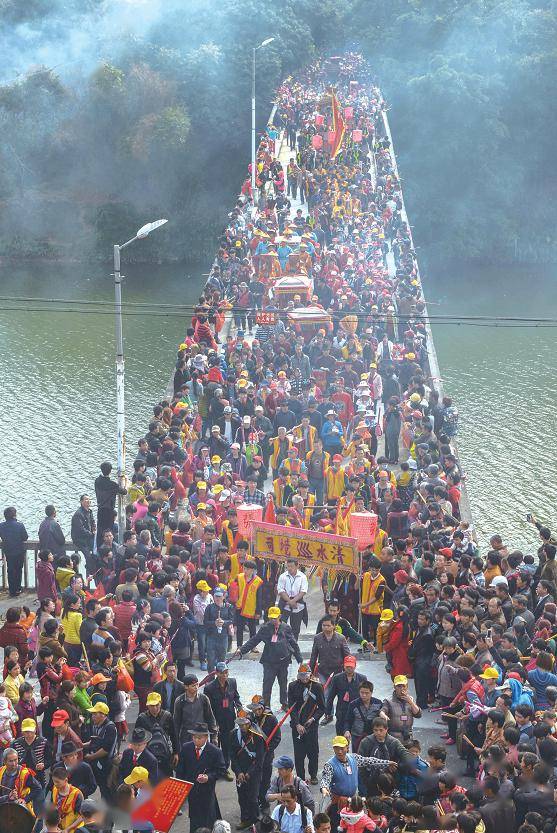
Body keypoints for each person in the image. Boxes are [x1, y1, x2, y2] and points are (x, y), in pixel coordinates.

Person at [234, 607, 303, 709]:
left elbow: (293, 643)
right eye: (271, 618)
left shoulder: (286, 628)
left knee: (283, 684)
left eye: (275, 618)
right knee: (267, 685)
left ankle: (284, 703)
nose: (273, 620)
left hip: (283, 661)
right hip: (269, 662)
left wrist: (299, 658)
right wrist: (242, 650)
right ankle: (266, 706)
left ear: (279, 617)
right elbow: (254, 640)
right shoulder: (265, 628)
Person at [319, 736, 392, 830]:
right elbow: (325, 778)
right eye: (336, 748)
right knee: (338, 826)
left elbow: (369, 761)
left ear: (347, 747)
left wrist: (387, 762)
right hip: (338, 804)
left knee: (355, 826)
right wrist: (324, 787)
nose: (339, 751)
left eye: (342, 748)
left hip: (353, 802)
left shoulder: (353, 758)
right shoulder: (330, 765)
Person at [176, 722, 226, 833]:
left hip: (207, 792)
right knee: (194, 821)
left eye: (199, 738)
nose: (196, 740)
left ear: (206, 737)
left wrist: (208, 777)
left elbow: (221, 770)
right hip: (192, 792)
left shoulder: (215, 751)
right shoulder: (186, 748)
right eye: (194, 737)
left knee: (207, 821)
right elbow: (180, 769)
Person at [288, 664, 325, 785]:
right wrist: (297, 724)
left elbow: (322, 708)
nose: (304, 677)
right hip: (297, 726)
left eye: (306, 675)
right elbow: (291, 708)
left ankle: (313, 775)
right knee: (299, 755)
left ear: (310, 674)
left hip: (311, 726)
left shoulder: (317, 687)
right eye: (301, 675)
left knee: (313, 752)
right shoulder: (292, 686)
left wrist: (313, 719)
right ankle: (300, 778)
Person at [230, 710, 266, 830]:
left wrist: (249, 773)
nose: (243, 727)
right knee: (242, 797)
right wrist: (238, 772)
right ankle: (245, 820)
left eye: (245, 723)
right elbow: (233, 756)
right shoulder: (233, 734)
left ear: (250, 722)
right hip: (240, 771)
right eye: (240, 724)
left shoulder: (257, 736)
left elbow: (260, 759)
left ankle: (255, 822)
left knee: (252, 798)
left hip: (254, 771)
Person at [204, 663, 241, 779]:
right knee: (214, 746)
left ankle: (225, 769)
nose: (225, 675)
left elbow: (236, 697)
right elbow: (207, 708)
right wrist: (212, 724)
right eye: (222, 673)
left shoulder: (232, 682)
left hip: (229, 720)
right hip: (215, 722)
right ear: (216, 673)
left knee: (227, 746)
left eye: (226, 672)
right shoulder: (209, 688)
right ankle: (214, 769)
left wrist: (240, 708)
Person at [247, 696, 281, 810]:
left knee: (265, 780)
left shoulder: (271, 719)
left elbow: (277, 738)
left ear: (263, 707)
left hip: (267, 755)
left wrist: (268, 748)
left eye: (259, 709)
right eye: (254, 709)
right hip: (255, 754)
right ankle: (254, 800)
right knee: (255, 778)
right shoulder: (251, 718)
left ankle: (264, 802)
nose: (256, 712)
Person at [82, 701, 118, 802]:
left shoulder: (110, 728)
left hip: (107, 764)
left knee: (108, 789)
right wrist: (81, 745)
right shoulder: (95, 725)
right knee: (102, 787)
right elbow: (93, 740)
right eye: (92, 714)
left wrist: (91, 757)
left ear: (103, 715)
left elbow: (105, 750)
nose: (92, 716)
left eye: (95, 714)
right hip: (97, 763)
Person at [324, 655, 367, 733]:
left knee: (357, 738)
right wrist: (328, 711)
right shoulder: (337, 678)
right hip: (342, 711)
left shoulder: (362, 678)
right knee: (341, 738)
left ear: (355, 666)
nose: (349, 668)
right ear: (344, 666)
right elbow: (331, 696)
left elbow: (366, 696)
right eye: (347, 666)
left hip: (357, 712)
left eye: (351, 666)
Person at [174, 673, 218, 747]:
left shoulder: (204, 699)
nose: (196, 687)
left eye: (197, 684)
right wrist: (175, 743)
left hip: (201, 736)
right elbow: (176, 723)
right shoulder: (179, 701)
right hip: (186, 737)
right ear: (186, 687)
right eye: (193, 686)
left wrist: (214, 736)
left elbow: (210, 718)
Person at [310, 615, 350, 683]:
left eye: (328, 625)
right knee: (325, 692)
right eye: (324, 625)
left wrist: (347, 672)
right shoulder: (317, 638)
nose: (325, 627)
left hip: (338, 672)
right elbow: (314, 656)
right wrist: (311, 671)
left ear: (333, 626)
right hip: (323, 672)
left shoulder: (341, 638)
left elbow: (347, 656)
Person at [94, 462, 126, 547]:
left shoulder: (97, 481)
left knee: (100, 531)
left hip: (100, 509)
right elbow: (124, 492)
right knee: (109, 531)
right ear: (110, 471)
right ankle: (109, 548)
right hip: (109, 511)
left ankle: (99, 548)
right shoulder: (112, 485)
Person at [276, 558, 308, 639]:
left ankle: (294, 647)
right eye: (288, 566)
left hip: (298, 603)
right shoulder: (283, 576)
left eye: (291, 566)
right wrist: (289, 601)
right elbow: (281, 590)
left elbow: (303, 591)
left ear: (297, 566)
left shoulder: (302, 576)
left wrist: (293, 601)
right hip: (284, 602)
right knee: (281, 626)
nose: (289, 568)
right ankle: (281, 645)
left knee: (296, 628)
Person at [0, 507, 28, 597]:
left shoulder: (1, 525)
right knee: (18, 570)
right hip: (19, 551)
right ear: (14, 515)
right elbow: (25, 537)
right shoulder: (19, 525)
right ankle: (17, 589)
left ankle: (12, 590)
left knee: (10, 570)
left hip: (8, 551)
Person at [71, 495, 96, 574]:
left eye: (89, 499)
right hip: (80, 539)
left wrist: (94, 530)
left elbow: (93, 522)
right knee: (88, 555)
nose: (88, 501)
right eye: (86, 499)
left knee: (96, 551)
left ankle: (93, 570)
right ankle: (90, 573)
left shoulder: (90, 511)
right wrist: (91, 534)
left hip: (89, 537)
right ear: (81, 502)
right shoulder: (78, 514)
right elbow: (80, 529)